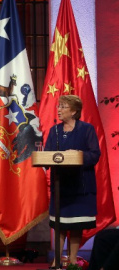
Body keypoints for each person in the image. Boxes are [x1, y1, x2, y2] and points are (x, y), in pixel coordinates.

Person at [44, 95, 101, 268]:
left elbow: (95, 154)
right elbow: (47, 155)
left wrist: (77, 155)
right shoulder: (54, 131)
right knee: (60, 223)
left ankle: (74, 260)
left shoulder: (87, 129)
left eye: (63, 107)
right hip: (61, 185)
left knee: (76, 224)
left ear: (74, 111)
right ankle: (58, 259)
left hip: (81, 186)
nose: (59, 110)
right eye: (58, 106)